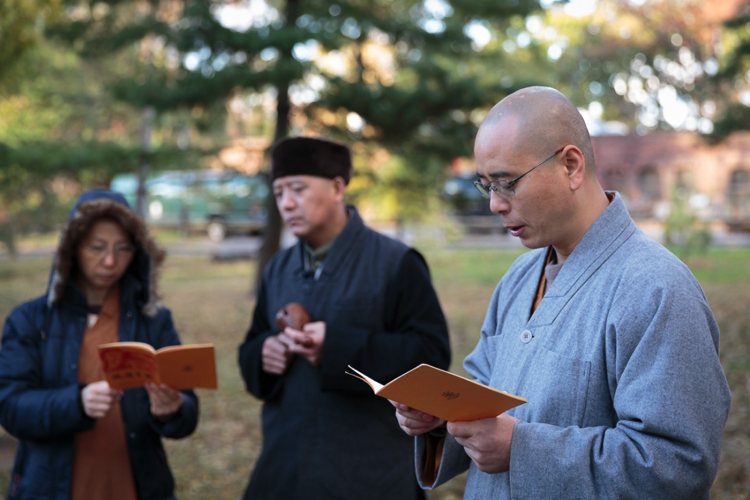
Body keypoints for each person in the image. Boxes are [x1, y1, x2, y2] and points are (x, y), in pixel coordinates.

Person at [393, 86, 731, 499]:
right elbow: (483, 397)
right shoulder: (518, 278)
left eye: (507, 183)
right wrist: (442, 419)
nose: (495, 205)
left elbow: (677, 465)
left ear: (571, 165)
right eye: (487, 187)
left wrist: (522, 449)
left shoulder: (657, 289)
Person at [238, 136, 451, 499]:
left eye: (298, 189)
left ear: (338, 187)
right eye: (278, 192)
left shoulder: (395, 263)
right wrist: (264, 354)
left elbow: (431, 357)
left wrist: (336, 349)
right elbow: (251, 345)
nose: (286, 203)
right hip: (284, 469)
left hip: (370, 473)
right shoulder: (279, 269)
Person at [0, 190, 199, 499]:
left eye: (122, 249)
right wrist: (76, 403)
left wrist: (171, 411)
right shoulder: (30, 320)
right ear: (72, 248)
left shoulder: (154, 320)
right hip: (51, 488)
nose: (110, 261)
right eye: (97, 248)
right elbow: (10, 407)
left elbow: (188, 411)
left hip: (137, 487)